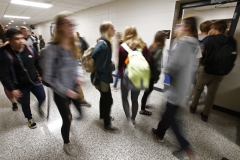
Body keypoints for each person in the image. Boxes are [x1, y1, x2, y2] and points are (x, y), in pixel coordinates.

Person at [152, 17, 199, 160]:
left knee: (171, 117)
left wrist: (166, 78)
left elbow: (173, 67)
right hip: (183, 86)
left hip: (176, 87)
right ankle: (159, 133)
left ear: (186, 27)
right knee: (167, 113)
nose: (176, 28)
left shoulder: (183, 43)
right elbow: (195, 65)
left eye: (179, 25)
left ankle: (185, 147)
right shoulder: (195, 44)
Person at [40, 14, 84, 157]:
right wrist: (66, 91)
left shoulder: (74, 45)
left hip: (74, 87)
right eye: (67, 24)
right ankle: (66, 143)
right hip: (61, 93)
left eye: (72, 24)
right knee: (67, 118)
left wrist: (79, 75)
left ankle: (78, 111)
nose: (71, 27)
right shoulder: (50, 50)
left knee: (77, 106)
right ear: (59, 27)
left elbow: (77, 64)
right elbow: (48, 77)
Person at [190, 20, 237, 122]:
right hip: (221, 71)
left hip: (206, 69)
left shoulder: (209, 39)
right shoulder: (232, 40)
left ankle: (193, 108)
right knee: (212, 93)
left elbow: (200, 54)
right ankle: (205, 114)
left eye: (211, 28)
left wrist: (197, 66)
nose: (210, 30)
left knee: (198, 89)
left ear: (216, 29)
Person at [0, 28, 46, 129]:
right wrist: (12, 88)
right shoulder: (5, 55)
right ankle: (29, 118)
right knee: (25, 104)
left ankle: (38, 107)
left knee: (42, 97)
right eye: (17, 39)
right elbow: (3, 74)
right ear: (10, 40)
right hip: (20, 86)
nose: (21, 41)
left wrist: (40, 74)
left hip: (34, 81)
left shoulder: (30, 49)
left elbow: (38, 63)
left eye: (21, 38)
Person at [118, 26, 151, 127]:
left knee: (124, 98)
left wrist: (121, 75)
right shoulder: (143, 46)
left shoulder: (122, 47)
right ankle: (133, 118)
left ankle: (128, 118)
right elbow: (149, 62)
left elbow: (120, 65)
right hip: (138, 77)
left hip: (126, 77)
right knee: (134, 99)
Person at [90, 21, 117, 131]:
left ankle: (103, 115)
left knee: (104, 97)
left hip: (101, 77)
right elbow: (101, 67)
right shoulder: (103, 45)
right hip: (102, 78)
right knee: (109, 100)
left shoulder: (103, 43)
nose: (114, 30)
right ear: (106, 30)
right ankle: (107, 124)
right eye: (112, 28)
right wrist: (112, 66)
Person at [140, 31, 167, 116]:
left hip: (147, 73)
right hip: (151, 74)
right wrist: (157, 77)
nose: (166, 39)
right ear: (162, 39)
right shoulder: (159, 49)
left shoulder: (152, 46)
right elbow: (156, 65)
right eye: (165, 37)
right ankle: (142, 109)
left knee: (148, 89)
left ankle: (144, 105)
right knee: (148, 90)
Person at [0, 24, 19, 111]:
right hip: (2, 62)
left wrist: (7, 44)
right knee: (6, 84)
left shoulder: (4, 33)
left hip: (11, 59)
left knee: (17, 79)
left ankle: (19, 94)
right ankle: (13, 103)